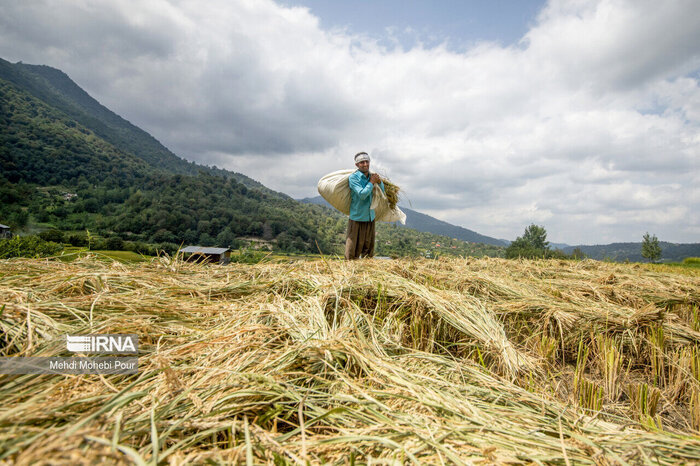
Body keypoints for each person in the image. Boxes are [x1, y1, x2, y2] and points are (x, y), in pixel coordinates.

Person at [345, 152, 385, 260]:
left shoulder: (371, 176)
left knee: (368, 247)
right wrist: (371, 182)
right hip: (357, 217)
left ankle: (366, 270)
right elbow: (362, 194)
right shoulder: (354, 178)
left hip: (370, 216)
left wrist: (379, 181)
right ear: (357, 165)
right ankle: (349, 268)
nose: (365, 164)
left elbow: (382, 192)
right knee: (353, 247)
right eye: (362, 162)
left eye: (367, 161)